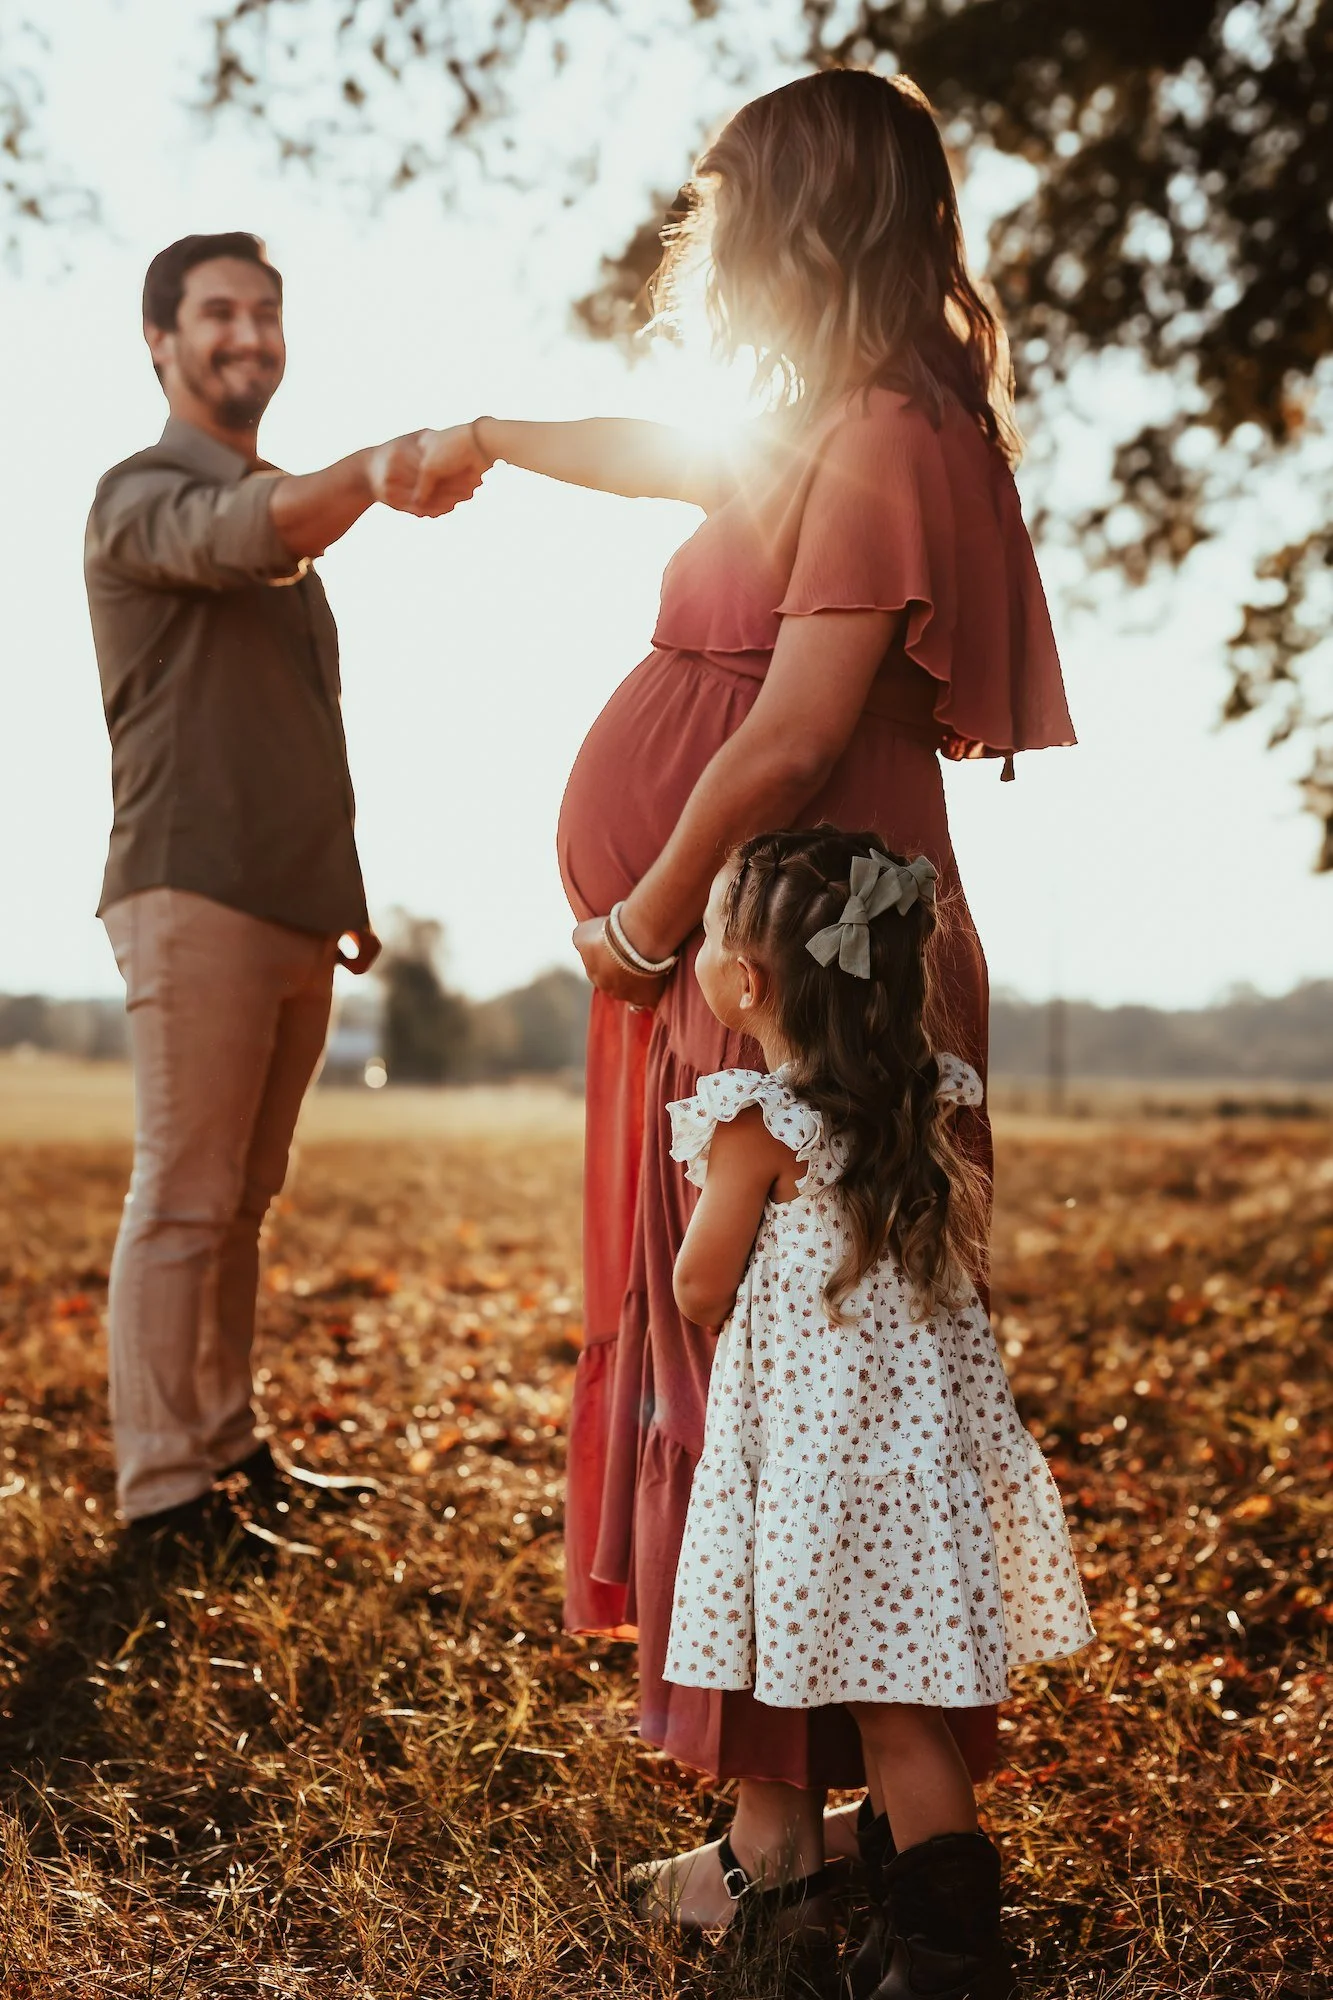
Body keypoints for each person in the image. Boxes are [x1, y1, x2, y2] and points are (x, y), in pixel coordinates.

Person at [407, 68, 1074, 1916]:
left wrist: (636, 923)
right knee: (767, 1365)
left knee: (769, 1374)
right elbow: (666, 446)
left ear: (797, 222)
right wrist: (492, 433)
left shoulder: (877, 433)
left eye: (728, 211)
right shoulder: (843, 419)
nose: (706, 249)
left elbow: (785, 737)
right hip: (760, 945)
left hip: (789, 956)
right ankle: (795, 1818)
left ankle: (779, 1844)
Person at [85, 231, 477, 1554]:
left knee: (245, 1199)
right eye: (216, 313)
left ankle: (229, 1448)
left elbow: (302, 728)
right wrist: (370, 470)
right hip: (189, 888)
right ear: (160, 340)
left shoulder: (286, 526)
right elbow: (241, 533)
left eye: (266, 311)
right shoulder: (140, 494)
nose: (247, 333)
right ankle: (161, 1492)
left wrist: (342, 890)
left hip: (294, 902)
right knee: (186, 1197)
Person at [659, 826, 1093, 1992]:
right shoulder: (924, 1097)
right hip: (915, 1465)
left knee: (897, 1717)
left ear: (743, 981)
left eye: (709, 933)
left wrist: (710, 1206)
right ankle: (906, 1934)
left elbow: (699, 1286)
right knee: (904, 1714)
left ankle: (950, 1962)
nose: (701, 952)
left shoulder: (758, 1123)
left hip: (831, 1471)